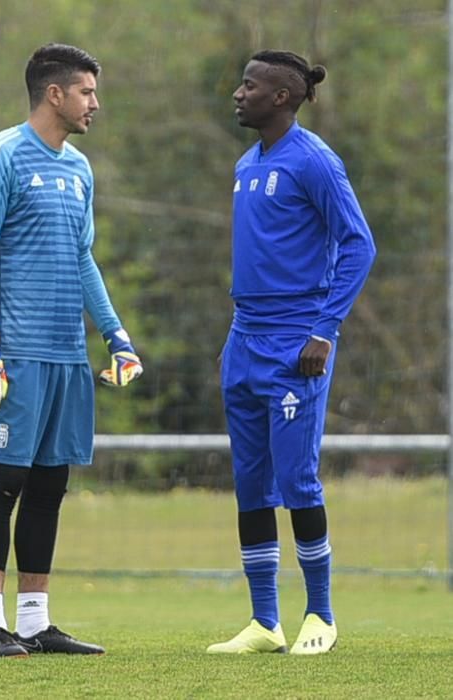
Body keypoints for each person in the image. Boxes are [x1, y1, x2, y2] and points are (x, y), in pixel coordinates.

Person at [0, 43, 142, 659]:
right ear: (55, 94)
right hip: (15, 356)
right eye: (87, 91)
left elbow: (81, 257)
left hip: (67, 356)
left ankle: (34, 621)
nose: (96, 103)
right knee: (3, 484)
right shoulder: (0, 155)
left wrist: (114, 332)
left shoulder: (81, 168)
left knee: (49, 487)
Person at [208, 50, 376, 655]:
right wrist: (234, 338)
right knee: (250, 485)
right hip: (246, 338)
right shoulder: (246, 162)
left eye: (249, 85)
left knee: (298, 481)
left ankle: (321, 616)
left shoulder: (315, 162)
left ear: (281, 97)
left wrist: (323, 330)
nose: (237, 92)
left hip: (295, 342)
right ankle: (263, 622)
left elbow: (359, 246)